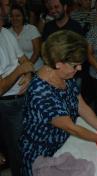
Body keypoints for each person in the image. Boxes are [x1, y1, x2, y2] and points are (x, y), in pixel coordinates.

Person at [19, 30, 97, 176]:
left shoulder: (65, 76)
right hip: (41, 155)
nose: (79, 68)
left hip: (60, 145)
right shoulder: (40, 92)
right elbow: (72, 128)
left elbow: (82, 106)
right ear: (58, 63)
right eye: (75, 65)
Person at [0, 12, 34, 176]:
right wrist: (21, 70)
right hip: (7, 103)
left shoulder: (5, 32)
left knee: (25, 143)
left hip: (21, 96)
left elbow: (23, 58)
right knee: (17, 148)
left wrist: (27, 75)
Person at [9, 4, 43, 70]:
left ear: (23, 17)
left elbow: (37, 52)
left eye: (18, 16)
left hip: (36, 68)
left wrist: (26, 69)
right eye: (12, 16)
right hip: (16, 71)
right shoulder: (7, 32)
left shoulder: (31, 29)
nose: (14, 18)